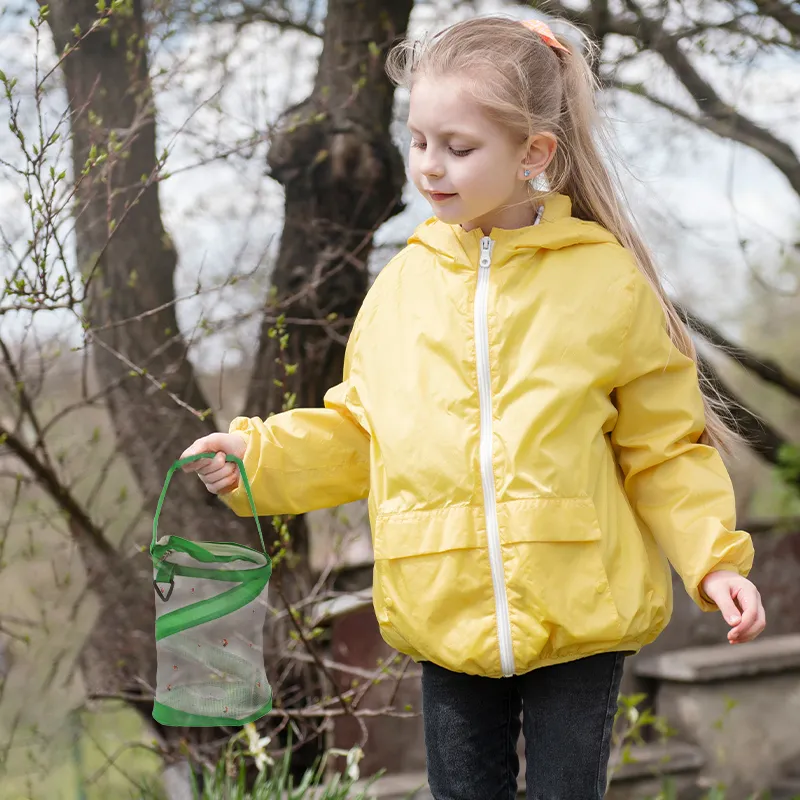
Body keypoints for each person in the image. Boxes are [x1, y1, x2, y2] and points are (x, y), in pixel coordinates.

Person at [179, 15, 766, 799]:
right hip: (441, 611)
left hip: (579, 614)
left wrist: (712, 560)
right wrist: (261, 460)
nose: (430, 166)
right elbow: (361, 433)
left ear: (534, 154)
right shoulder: (399, 291)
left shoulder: (606, 282)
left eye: (459, 148)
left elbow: (664, 449)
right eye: (420, 141)